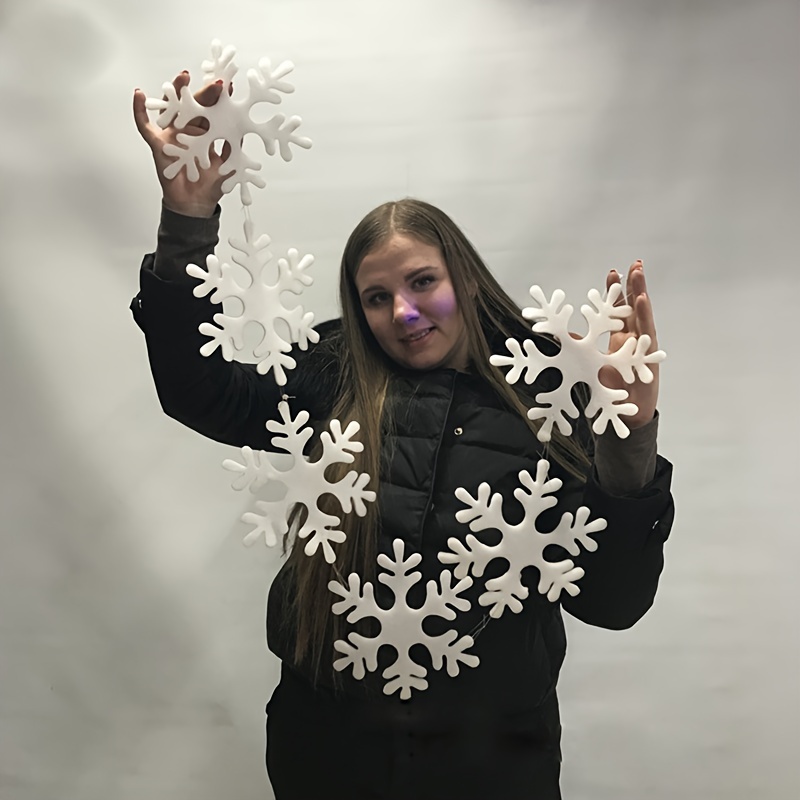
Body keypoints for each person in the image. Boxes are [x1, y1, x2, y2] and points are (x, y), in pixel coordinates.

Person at [132, 75, 674, 800]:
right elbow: (197, 392)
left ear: (468, 281)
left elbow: (613, 601)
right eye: (377, 297)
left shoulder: (549, 394)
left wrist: (630, 435)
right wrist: (187, 222)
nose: (405, 313)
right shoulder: (330, 375)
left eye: (423, 283)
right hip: (326, 755)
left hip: (493, 768)